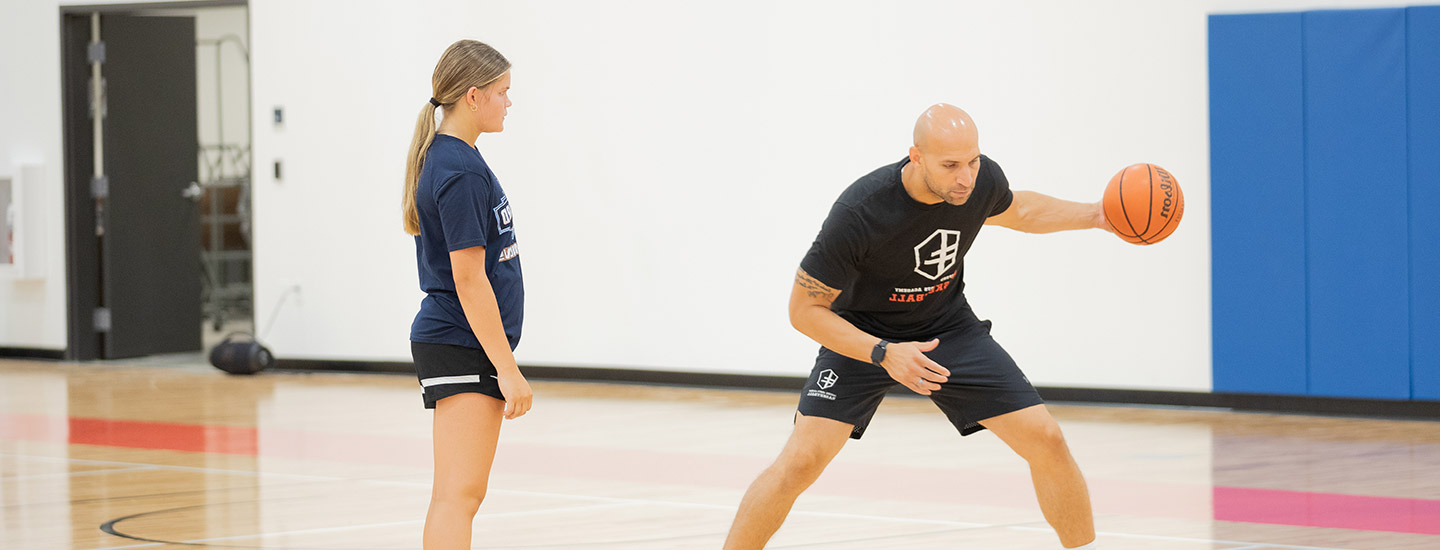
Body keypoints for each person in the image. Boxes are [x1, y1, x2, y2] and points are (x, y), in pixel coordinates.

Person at [724, 104, 1106, 549]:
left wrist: (1098, 215)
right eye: (950, 165)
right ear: (916, 156)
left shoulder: (978, 184)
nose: (966, 177)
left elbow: (1018, 210)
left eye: (973, 161)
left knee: (1047, 438)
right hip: (863, 335)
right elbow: (804, 310)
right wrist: (882, 352)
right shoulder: (861, 212)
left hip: (947, 326)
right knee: (800, 462)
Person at [400, 39, 532, 550]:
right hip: (460, 341)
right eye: (503, 92)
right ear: (473, 97)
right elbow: (469, 278)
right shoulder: (459, 170)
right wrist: (509, 369)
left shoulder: (457, 159)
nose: (509, 102)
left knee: (456, 495)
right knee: (459, 496)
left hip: (457, 340)